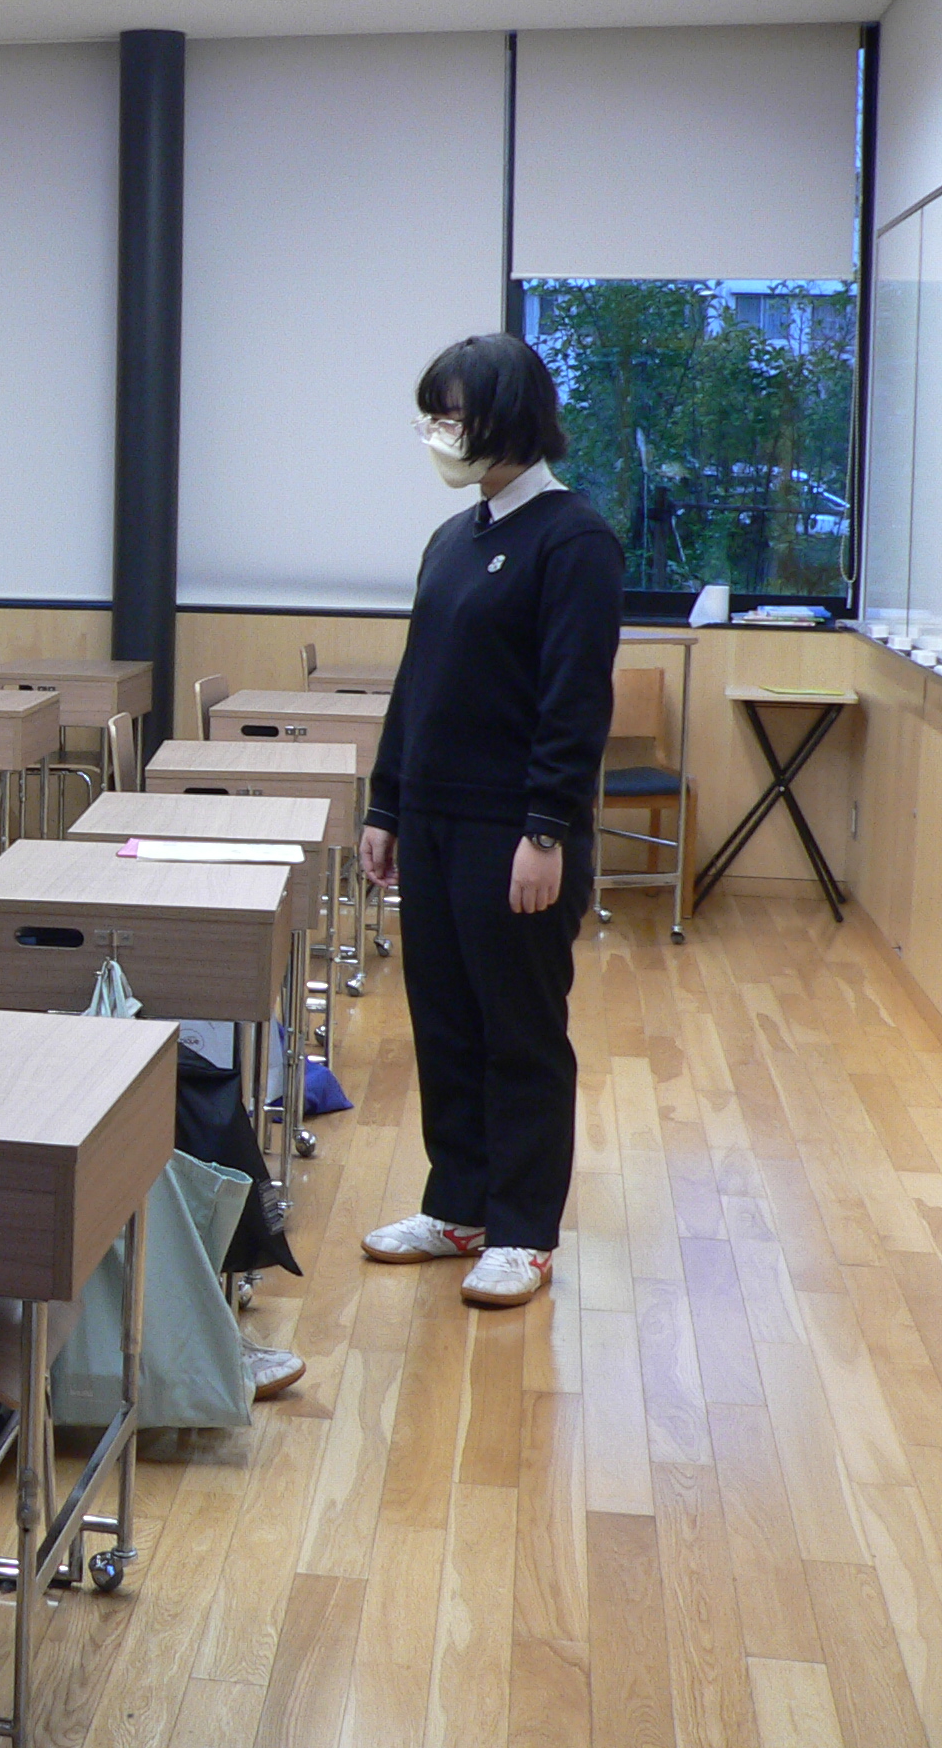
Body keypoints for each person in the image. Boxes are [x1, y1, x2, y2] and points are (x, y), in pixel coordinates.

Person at [358, 332, 624, 1308]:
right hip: (431, 821)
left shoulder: (574, 539)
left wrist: (546, 829)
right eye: (432, 415)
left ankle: (521, 1231)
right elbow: (417, 683)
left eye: (452, 415)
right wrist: (385, 804)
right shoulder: (451, 538)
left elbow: (574, 701)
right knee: (444, 1023)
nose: (437, 433)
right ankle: (458, 1206)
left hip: (514, 831)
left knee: (519, 1030)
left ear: (507, 418)